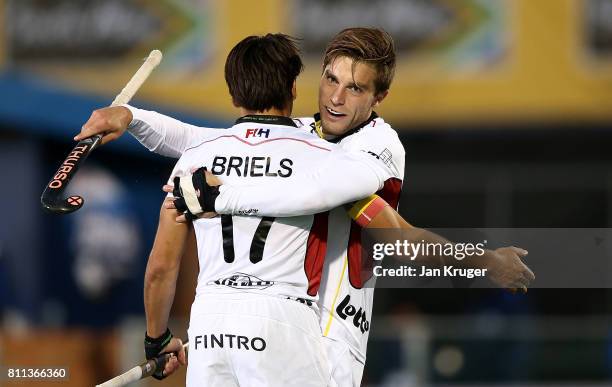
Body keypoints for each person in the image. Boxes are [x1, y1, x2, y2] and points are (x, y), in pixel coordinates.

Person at [77, 28, 533, 386]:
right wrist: (133, 118)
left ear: (379, 98)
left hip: (335, 332)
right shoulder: (305, 139)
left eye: (355, 89)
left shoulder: (376, 147)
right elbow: (204, 140)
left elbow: (337, 203)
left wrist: (482, 264)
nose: (336, 97)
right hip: (284, 325)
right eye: (331, 79)